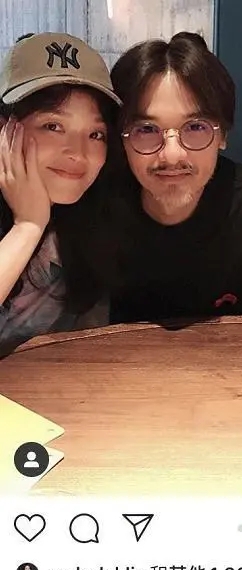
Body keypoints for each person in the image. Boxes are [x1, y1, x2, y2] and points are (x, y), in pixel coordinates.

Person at [106, 32, 242, 323]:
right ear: (120, 139)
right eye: (146, 130)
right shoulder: (98, 211)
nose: (172, 155)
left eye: (195, 127)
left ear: (223, 134)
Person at [0, 32, 121, 356]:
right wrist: (27, 225)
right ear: (4, 128)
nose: (78, 153)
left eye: (95, 134)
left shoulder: (98, 217)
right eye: (53, 126)